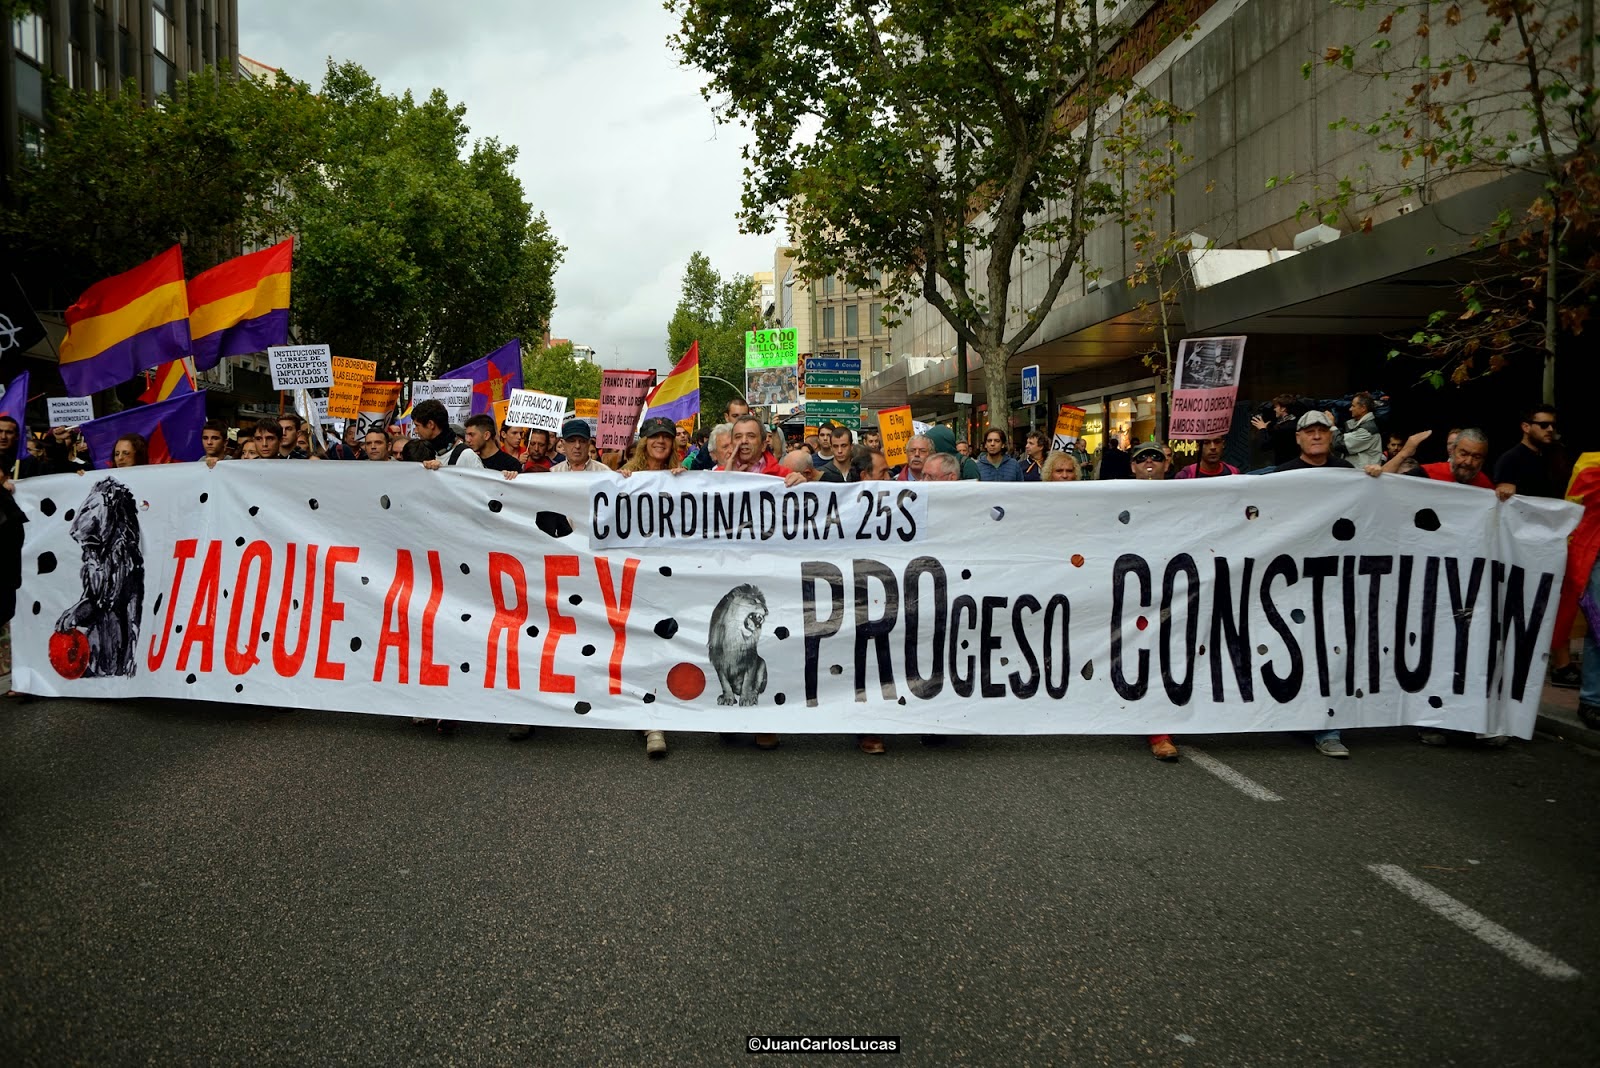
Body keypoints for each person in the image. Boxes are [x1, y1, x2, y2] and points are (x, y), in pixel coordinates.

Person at [1271, 410, 1358, 757]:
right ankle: (1296, 714)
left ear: (1331, 435)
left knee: (1329, 647)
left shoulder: (1347, 473)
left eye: (1322, 430)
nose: (1317, 436)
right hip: (1292, 578)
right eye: (1310, 431)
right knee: (1295, 647)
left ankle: (1328, 728)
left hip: (1333, 578)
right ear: (1299, 437)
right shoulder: (1283, 475)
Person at [1126, 441, 1183, 761]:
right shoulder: (1115, 497)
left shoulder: (1185, 497)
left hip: (1173, 589)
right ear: (1133, 466)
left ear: (1167, 464)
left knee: (1166, 653)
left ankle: (1163, 726)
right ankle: (1156, 728)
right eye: (1142, 458)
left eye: (1157, 457)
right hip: (1130, 592)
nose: (1150, 462)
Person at [411, 399, 483, 470]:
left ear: (430, 424)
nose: (416, 431)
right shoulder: (427, 453)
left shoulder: (466, 455)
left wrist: (443, 471)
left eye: (417, 425)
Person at [691, 397, 751, 470]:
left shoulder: (756, 441)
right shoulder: (712, 444)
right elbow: (695, 471)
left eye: (744, 416)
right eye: (735, 416)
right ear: (726, 417)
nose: (739, 420)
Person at [1251, 394, 1301, 468]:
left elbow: (1264, 446)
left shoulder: (1283, 428)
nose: (1274, 410)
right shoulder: (1295, 423)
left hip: (1285, 467)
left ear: (1283, 408)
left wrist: (1262, 429)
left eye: (1276, 407)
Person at [1340, 392, 1384, 468]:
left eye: (1353, 406)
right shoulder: (1356, 425)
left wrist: (1332, 427)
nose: (1350, 409)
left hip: (1363, 474)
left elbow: (1341, 444)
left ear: (1363, 408)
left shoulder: (1367, 430)